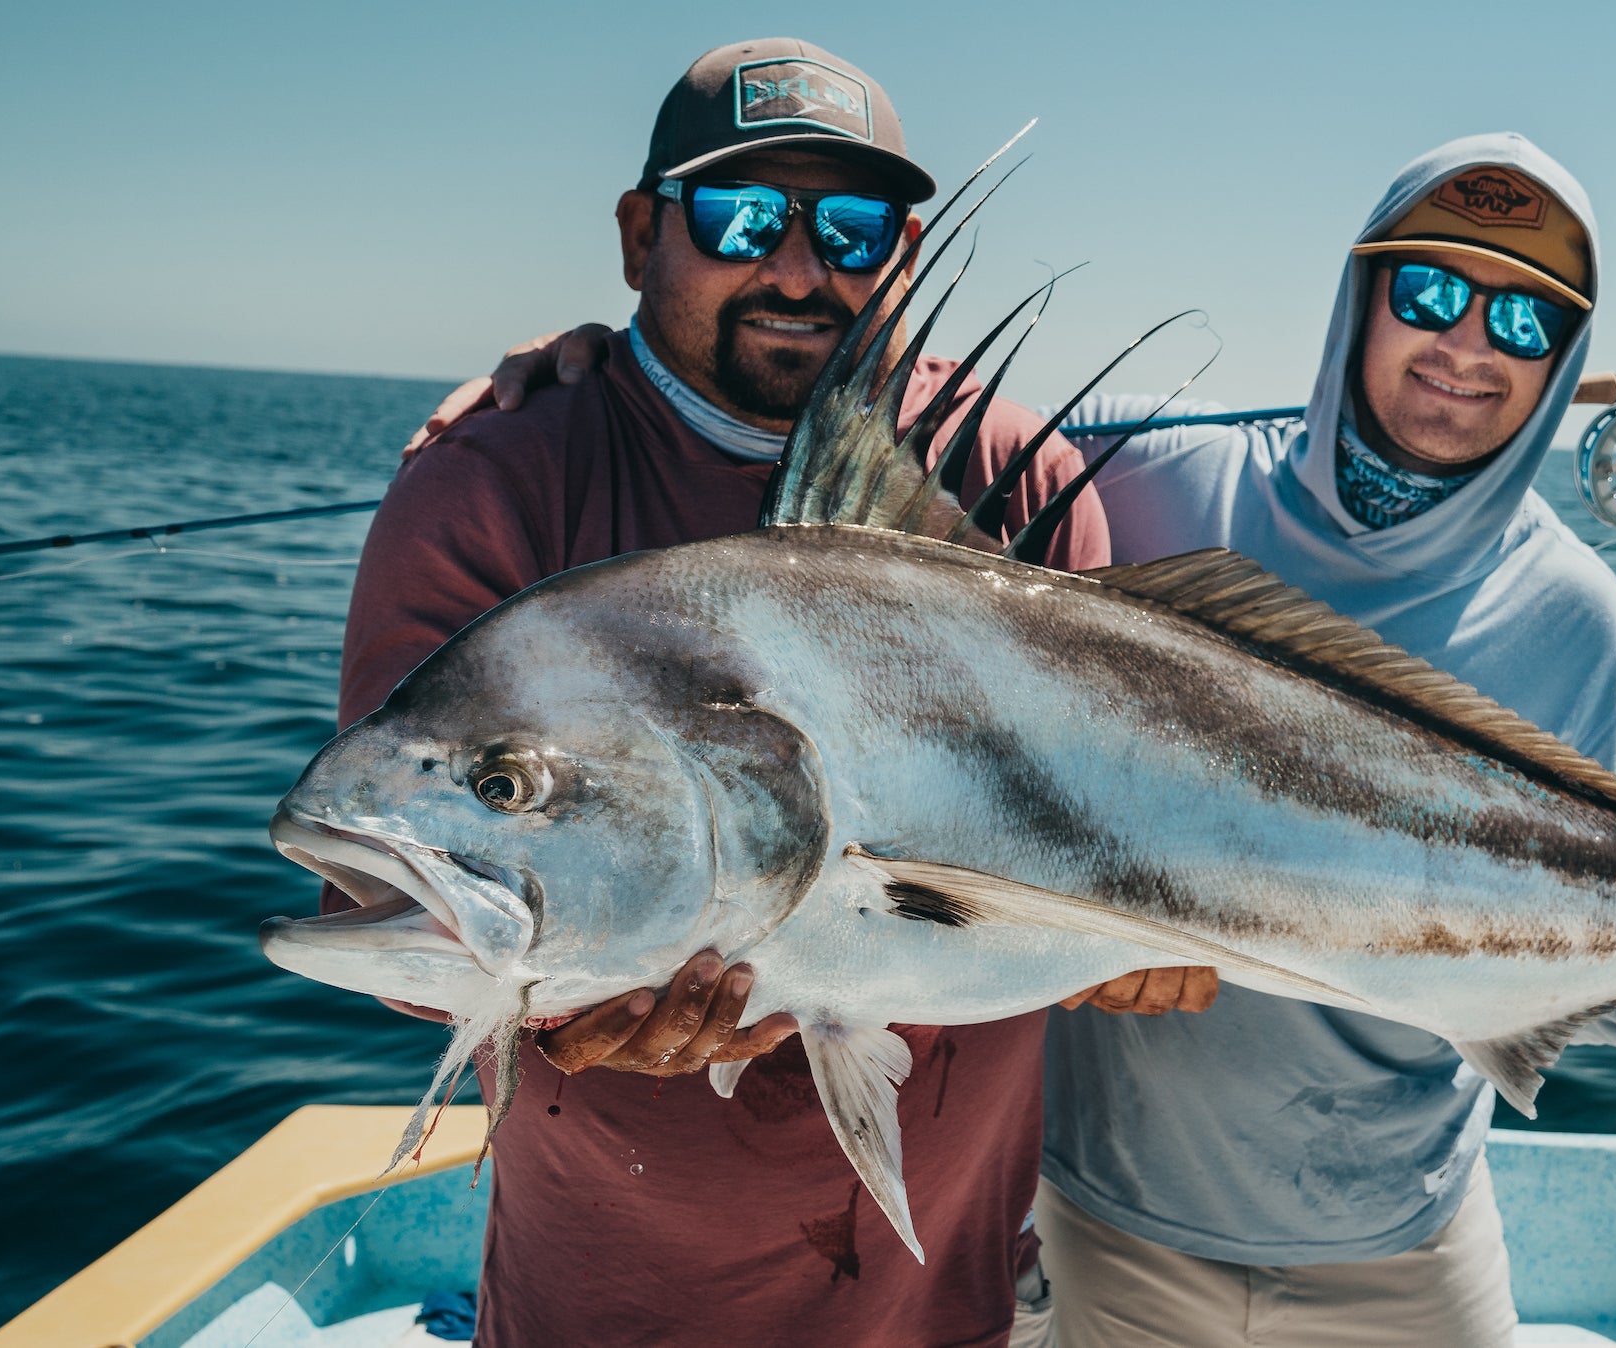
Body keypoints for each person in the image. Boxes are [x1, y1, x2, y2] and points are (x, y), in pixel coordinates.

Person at [455, 135, 1616, 1346]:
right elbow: (897, 452)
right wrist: (608, 360)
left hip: (1405, 1235)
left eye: (1524, 323)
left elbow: (1568, 951)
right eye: (1431, 293)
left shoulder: (1576, 616)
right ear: (1360, 303)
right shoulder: (1152, 479)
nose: (1464, 347)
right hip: (1111, 1223)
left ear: (1568, 356)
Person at [339, 38, 1127, 1347]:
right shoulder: (493, 483)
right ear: (642, 231)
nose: (801, 269)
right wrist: (559, 1010)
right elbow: (384, 898)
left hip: (955, 1297)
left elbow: (1108, 834)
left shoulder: (1021, 482)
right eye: (743, 216)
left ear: (910, 252)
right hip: (604, 1304)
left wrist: (1151, 947)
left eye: (854, 227)